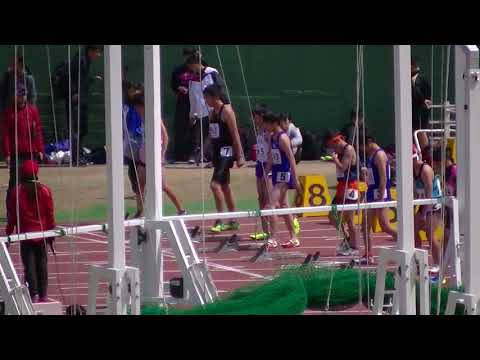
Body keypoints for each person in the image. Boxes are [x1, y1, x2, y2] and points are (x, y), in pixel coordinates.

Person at [123, 86, 185, 218]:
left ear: (143, 106)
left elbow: (165, 136)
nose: (137, 110)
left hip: (156, 158)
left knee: (163, 186)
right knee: (139, 185)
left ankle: (181, 209)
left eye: (138, 107)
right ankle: (140, 210)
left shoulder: (155, 117)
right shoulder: (142, 118)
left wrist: (162, 154)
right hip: (144, 156)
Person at [6, 160, 56, 303]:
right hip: (42, 233)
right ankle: (43, 295)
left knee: (29, 266)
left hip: (26, 234)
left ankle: (33, 295)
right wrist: (51, 234)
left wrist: (9, 233)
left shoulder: (17, 192)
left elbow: (12, 216)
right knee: (42, 265)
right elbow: (50, 214)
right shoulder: (45, 190)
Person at [202, 84, 245, 233]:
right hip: (217, 153)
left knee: (215, 185)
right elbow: (212, 134)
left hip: (227, 152)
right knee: (225, 186)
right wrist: (204, 149)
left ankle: (219, 219)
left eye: (207, 97)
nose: (205, 100)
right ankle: (233, 220)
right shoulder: (213, 112)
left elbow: (235, 134)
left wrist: (240, 156)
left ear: (215, 97)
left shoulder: (227, 111)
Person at [262, 112, 302, 249]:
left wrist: (295, 178)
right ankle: (294, 237)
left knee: (271, 205)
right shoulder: (273, 137)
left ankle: (272, 238)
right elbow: (272, 157)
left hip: (284, 175)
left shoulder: (283, 138)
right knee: (284, 206)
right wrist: (266, 171)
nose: (265, 126)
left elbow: (291, 158)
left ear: (274, 123)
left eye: (266, 124)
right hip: (276, 173)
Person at [2, 86, 45, 209]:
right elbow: (5, 135)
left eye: (23, 94)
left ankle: (33, 208)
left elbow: (38, 131)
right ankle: (11, 210)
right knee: (14, 183)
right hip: (16, 153)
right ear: (14, 96)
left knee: (32, 182)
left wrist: (40, 149)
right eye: (19, 95)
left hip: (31, 152)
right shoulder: (9, 112)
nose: (22, 97)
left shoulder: (32, 111)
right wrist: (7, 153)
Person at [360, 136, 397, 264]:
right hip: (371, 192)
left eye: (362, 147)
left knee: (385, 226)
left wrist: (381, 197)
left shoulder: (379, 155)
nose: (362, 150)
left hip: (380, 194)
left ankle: (404, 243)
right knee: (365, 225)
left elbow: (384, 177)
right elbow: (373, 177)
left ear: (369, 143)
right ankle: (368, 254)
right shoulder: (372, 155)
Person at [186, 52, 227, 165]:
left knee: (218, 136)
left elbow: (221, 91)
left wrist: (223, 108)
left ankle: (219, 158)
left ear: (196, 63)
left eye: (191, 66)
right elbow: (192, 98)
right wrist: (192, 114)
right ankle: (203, 156)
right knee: (205, 136)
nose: (191, 69)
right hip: (201, 114)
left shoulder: (212, 73)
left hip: (215, 111)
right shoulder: (192, 79)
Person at [65, 45, 103, 166]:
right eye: (97, 52)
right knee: (77, 129)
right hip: (76, 101)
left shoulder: (86, 61)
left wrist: (91, 79)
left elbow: (82, 79)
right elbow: (70, 78)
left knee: (82, 129)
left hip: (82, 100)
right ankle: (76, 158)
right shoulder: (79, 60)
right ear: (90, 50)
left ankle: (79, 155)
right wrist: (74, 93)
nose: (97, 55)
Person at [324, 130, 360, 256]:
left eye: (332, 145)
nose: (332, 148)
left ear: (337, 141)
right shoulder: (339, 150)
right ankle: (348, 239)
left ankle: (354, 246)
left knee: (350, 219)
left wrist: (334, 159)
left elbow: (343, 167)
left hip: (350, 187)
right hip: (341, 186)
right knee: (332, 215)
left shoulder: (349, 149)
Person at [413, 145, 443, 274]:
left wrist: (424, 214)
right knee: (413, 231)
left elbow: (430, 194)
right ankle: (418, 262)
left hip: (434, 204)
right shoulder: (411, 169)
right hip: (423, 203)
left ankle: (438, 263)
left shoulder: (425, 170)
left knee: (430, 235)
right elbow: (415, 192)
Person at [170, 48, 202, 163]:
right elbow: (173, 85)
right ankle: (179, 155)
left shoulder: (200, 69)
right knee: (180, 128)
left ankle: (194, 154)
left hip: (197, 102)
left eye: (190, 56)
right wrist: (179, 88)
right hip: (183, 103)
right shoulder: (178, 70)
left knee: (196, 128)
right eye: (186, 56)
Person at [249, 104, 273, 241]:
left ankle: (271, 232)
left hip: (267, 166)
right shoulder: (258, 130)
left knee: (269, 200)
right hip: (259, 164)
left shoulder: (268, 132)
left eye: (257, 117)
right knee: (261, 198)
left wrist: (268, 168)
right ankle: (265, 230)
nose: (255, 120)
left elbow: (271, 150)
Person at [411, 57, 433, 165]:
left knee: (421, 133)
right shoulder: (406, 79)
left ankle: (426, 158)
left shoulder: (422, 80)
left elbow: (427, 99)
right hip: (412, 114)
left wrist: (423, 101)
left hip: (420, 114)